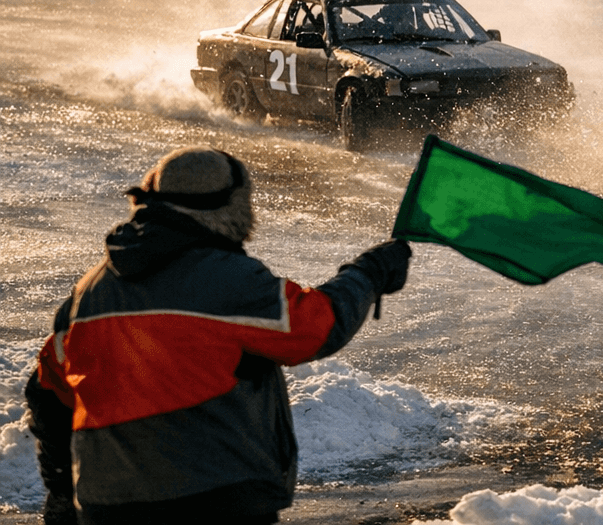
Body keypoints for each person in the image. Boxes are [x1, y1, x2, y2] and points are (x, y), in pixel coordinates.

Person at [25, 147, 411, 525]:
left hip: (107, 507)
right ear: (234, 207)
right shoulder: (227, 279)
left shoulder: (90, 292)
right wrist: (370, 272)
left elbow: (47, 393)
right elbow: (316, 327)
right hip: (216, 498)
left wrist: (61, 493)